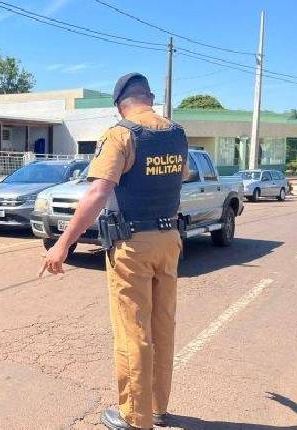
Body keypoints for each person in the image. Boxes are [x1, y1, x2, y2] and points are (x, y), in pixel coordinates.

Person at [39, 73, 189, 429]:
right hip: (170, 240)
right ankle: (157, 406)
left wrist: (63, 243)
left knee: (132, 329)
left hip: (133, 244)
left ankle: (135, 417)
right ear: (149, 97)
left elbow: (97, 192)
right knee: (162, 325)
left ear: (120, 103)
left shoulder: (121, 134)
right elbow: (179, 176)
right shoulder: (177, 134)